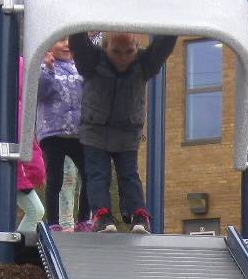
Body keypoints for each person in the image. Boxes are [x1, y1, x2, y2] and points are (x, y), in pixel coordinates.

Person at [69, 30, 177, 233]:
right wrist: (80, 17)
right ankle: (102, 215)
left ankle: (139, 215)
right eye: (116, 51)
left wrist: (173, 21)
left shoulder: (144, 64)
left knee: (129, 174)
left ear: (137, 48)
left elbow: (164, 45)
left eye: (129, 51)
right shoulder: (92, 61)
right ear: (105, 48)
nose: (123, 57)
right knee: (98, 174)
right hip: (96, 129)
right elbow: (78, 42)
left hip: (127, 130)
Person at [0, 58, 47, 240]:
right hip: (12, 168)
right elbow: (27, 143)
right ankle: (16, 247)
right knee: (35, 211)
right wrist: (37, 172)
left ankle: (9, 241)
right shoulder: (16, 108)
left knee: (3, 214)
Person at [36, 40, 90, 231]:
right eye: (61, 40)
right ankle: (53, 222)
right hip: (54, 132)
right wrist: (49, 69)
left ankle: (85, 219)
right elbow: (40, 93)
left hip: (77, 132)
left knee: (90, 173)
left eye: (70, 40)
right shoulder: (44, 66)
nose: (67, 45)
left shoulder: (80, 68)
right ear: (50, 45)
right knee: (55, 178)